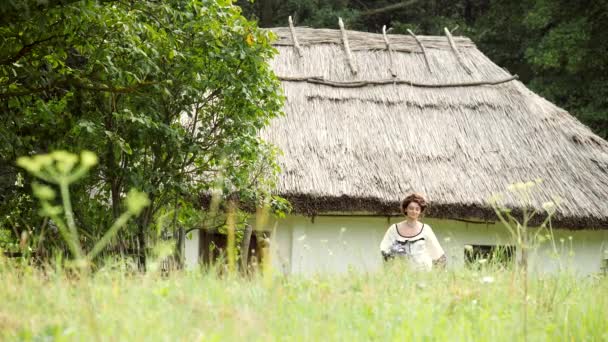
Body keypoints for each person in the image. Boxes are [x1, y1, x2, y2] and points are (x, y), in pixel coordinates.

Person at [380, 193, 446, 270]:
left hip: (423, 274)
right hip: (401, 274)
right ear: (405, 209)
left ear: (420, 211)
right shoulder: (394, 229)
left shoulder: (426, 229)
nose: (414, 211)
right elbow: (384, 249)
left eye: (417, 209)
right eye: (411, 208)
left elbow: (437, 253)